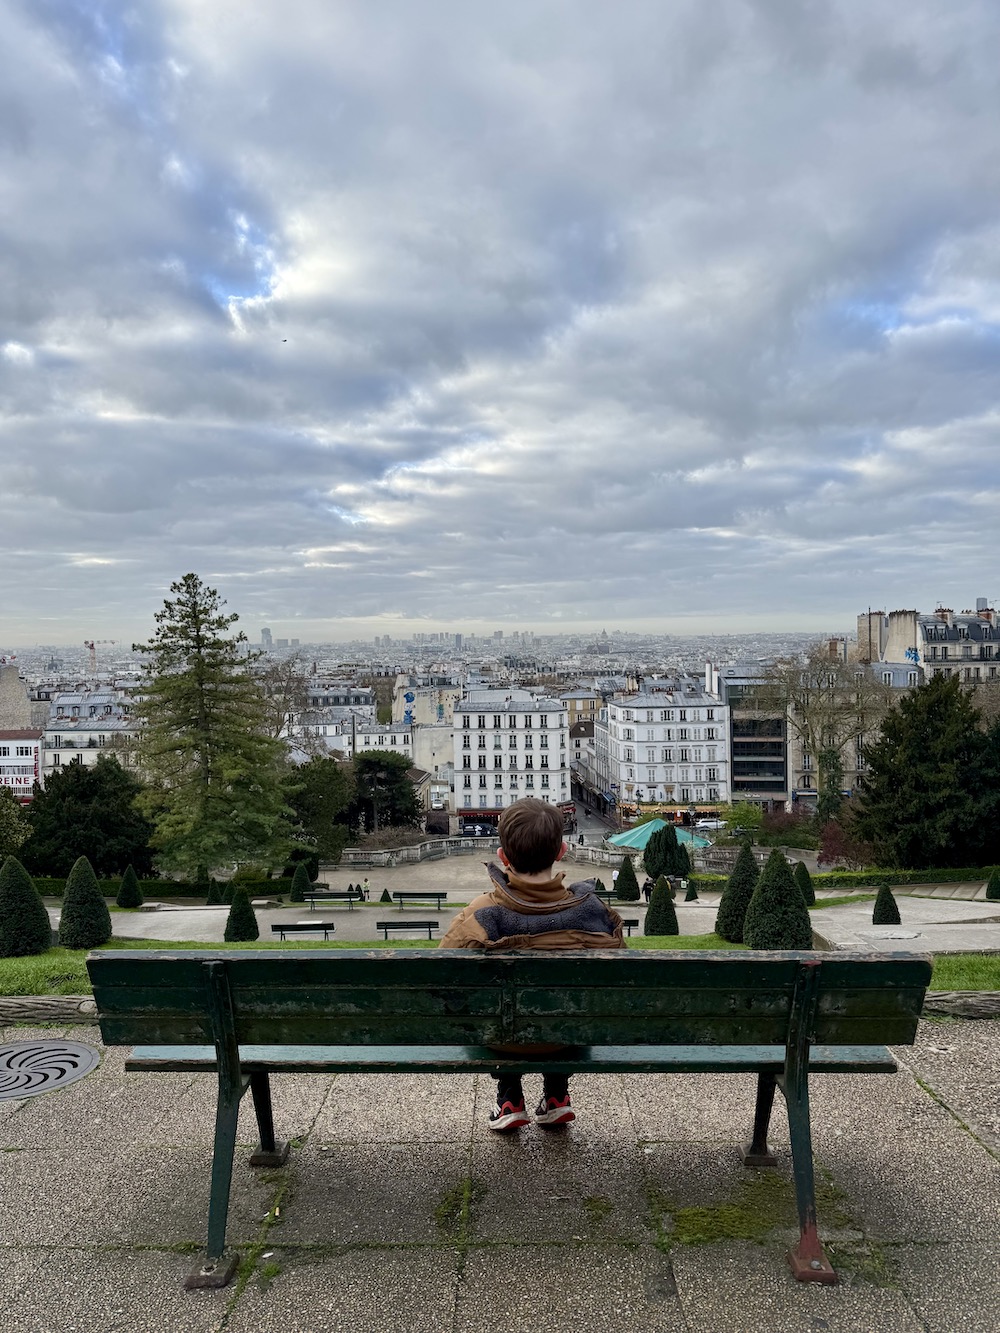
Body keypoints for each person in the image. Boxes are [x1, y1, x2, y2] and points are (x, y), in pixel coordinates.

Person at [439, 797, 625, 1132]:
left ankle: (509, 1097)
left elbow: (441, 971)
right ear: (562, 851)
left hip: (501, 1037)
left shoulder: (482, 913)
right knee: (561, 1006)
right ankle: (556, 1096)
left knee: (502, 1009)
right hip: (569, 1035)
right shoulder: (593, 912)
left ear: (502, 856)